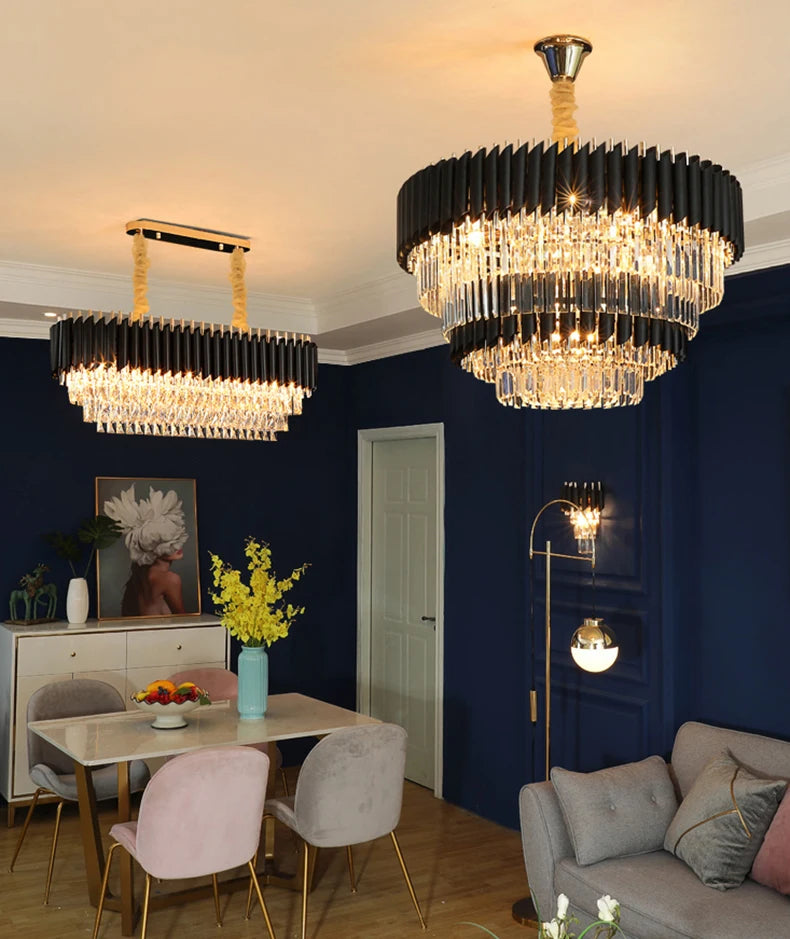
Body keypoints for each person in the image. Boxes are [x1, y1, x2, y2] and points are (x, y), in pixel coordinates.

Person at [103, 484, 189, 616]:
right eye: (167, 542)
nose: (177, 546)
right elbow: (185, 621)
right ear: (151, 549)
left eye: (177, 538)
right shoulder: (170, 579)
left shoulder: (140, 578)